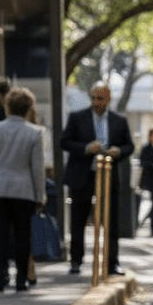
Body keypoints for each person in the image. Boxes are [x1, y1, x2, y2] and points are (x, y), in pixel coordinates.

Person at [62, 81, 134, 276]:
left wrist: (118, 151)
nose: (96, 102)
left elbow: (130, 146)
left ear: (108, 98)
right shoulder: (78, 118)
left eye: (100, 98)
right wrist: (86, 148)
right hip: (82, 175)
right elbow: (65, 141)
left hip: (108, 176)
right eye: (93, 98)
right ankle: (76, 261)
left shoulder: (119, 121)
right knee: (78, 219)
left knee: (111, 219)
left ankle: (112, 262)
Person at [0, 88, 46, 293]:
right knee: (22, 235)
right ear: (28, 109)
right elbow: (37, 168)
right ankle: (21, 278)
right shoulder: (34, 133)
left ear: (8, 107)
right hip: (23, 190)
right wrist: (40, 195)